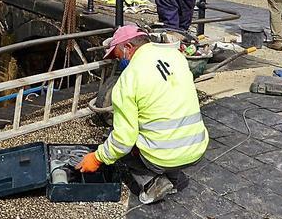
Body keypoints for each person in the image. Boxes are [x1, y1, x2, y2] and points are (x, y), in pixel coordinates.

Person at [76, 25, 208, 204]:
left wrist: (98, 158)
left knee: (119, 144)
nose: (118, 61)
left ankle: (153, 183)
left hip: (162, 156)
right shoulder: (176, 56)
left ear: (128, 48)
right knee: (163, 126)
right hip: (197, 148)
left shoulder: (129, 78)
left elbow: (123, 141)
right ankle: (174, 179)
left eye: (117, 56)